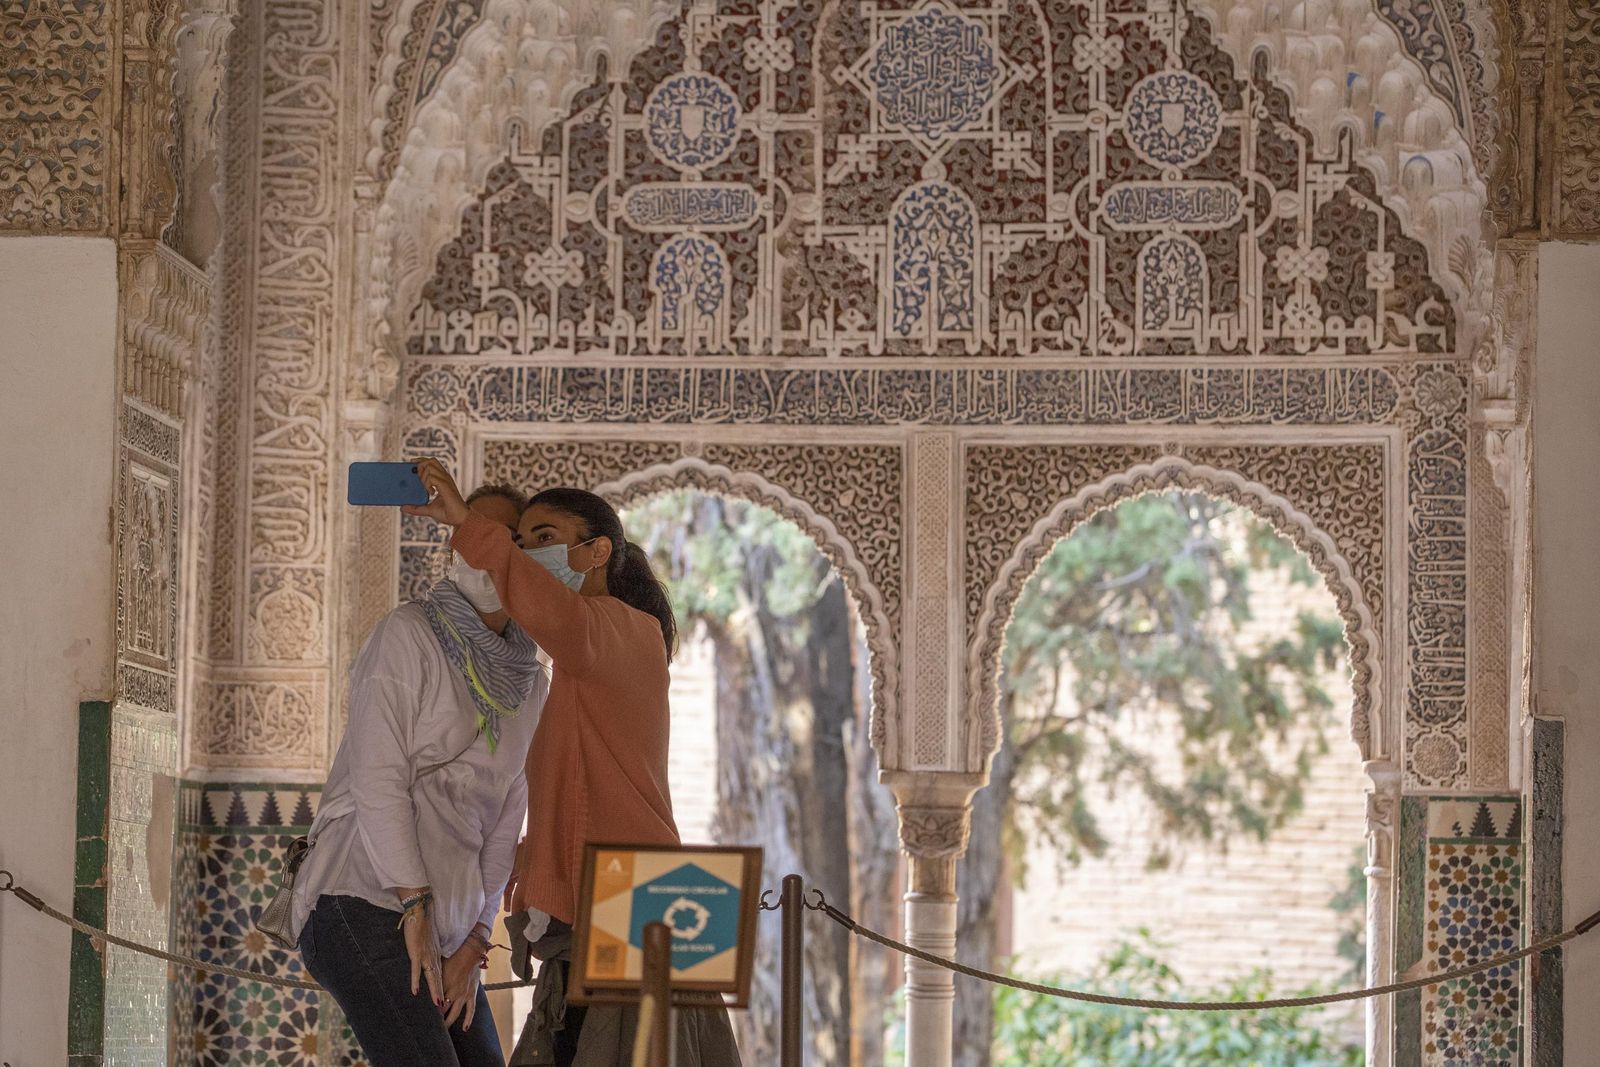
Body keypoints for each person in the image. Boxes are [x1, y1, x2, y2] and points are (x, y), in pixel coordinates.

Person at [405, 459, 741, 1067]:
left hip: (632, 893)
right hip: (623, 892)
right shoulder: (589, 653)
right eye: (521, 541)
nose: (528, 554)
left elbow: (551, 614)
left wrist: (463, 520)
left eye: (544, 539)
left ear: (595, 552)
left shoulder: (618, 629)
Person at [290, 484, 550, 1066]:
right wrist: (414, 907)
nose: (484, 555)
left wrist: (477, 939)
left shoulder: (532, 683)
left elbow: (507, 817)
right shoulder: (408, 635)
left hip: (452, 930)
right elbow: (377, 779)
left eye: (504, 542)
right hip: (363, 899)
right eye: (471, 535)